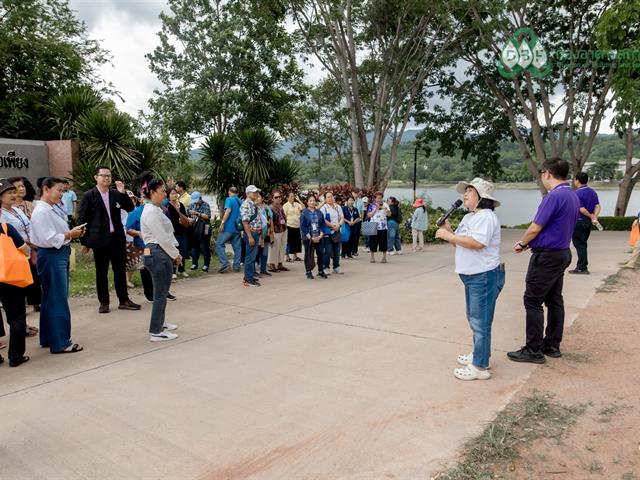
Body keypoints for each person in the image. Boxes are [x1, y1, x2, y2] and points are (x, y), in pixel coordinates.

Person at [508, 158, 579, 364]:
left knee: (532, 300)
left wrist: (522, 243)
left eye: (541, 173)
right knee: (554, 299)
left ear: (547, 173)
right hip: (562, 252)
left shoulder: (553, 197)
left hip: (547, 256)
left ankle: (533, 349)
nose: (541, 176)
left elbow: (536, 227)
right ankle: (552, 344)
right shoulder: (572, 195)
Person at [436, 178, 504, 381]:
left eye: (469, 191)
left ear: (481, 197)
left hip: (483, 276)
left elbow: (477, 243)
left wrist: (449, 236)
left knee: (480, 321)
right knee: (475, 319)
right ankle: (480, 354)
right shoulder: (469, 218)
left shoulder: (486, 217)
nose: (464, 195)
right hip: (471, 276)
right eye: (464, 192)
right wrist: (449, 230)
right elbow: (461, 243)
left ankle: (479, 367)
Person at [31, 177, 86, 354]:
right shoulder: (42, 211)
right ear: (46, 189)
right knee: (57, 299)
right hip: (52, 255)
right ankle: (61, 342)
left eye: (63, 191)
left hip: (56, 254)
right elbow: (49, 239)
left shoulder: (51, 208)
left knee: (50, 298)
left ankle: (49, 336)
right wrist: (71, 234)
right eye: (59, 190)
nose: (61, 194)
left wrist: (70, 233)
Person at [77, 166, 140, 314]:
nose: (106, 178)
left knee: (119, 270)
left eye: (109, 176)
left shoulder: (115, 194)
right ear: (96, 177)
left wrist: (123, 193)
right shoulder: (89, 196)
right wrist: (85, 242)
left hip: (117, 238)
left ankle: (124, 300)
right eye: (103, 175)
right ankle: (104, 302)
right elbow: (82, 219)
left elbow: (130, 208)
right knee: (101, 272)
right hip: (99, 240)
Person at [140, 179, 181, 341]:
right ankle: (156, 331)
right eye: (162, 191)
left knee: (162, 293)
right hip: (158, 252)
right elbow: (162, 237)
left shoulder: (155, 210)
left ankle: (160, 322)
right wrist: (175, 254)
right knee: (160, 294)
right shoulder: (150, 211)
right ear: (152, 193)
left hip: (159, 252)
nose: (165, 194)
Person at [0, 179, 31, 366]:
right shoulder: (6, 227)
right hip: (9, 275)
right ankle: (16, 356)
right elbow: (24, 249)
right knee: (17, 316)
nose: (13, 194)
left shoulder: (15, 213)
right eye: (8, 192)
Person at [125, 193, 156, 303]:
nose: (147, 200)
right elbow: (128, 229)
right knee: (146, 269)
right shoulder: (136, 212)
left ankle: (163, 292)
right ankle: (149, 295)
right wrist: (138, 233)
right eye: (145, 197)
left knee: (159, 269)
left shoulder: (158, 210)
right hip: (144, 246)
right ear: (140, 199)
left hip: (158, 245)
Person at [569, 172, 600, 275]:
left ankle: (582, 267)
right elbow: (597, 206)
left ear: (577, 180)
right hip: (588, 223)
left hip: (579, 222)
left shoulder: (577, 193)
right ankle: (581, 266)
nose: (574, 181)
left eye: (574, 180)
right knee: (583, 244)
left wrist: (591, 216)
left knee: (580, 244)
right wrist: (594, 217)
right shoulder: (592, 192)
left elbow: (581, 209)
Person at [216, 186, 243, 273]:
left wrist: (222, 223)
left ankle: (225, 264)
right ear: (237, 193)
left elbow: (228, 211)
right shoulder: (240, 201)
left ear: (229, 192)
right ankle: (236, 266)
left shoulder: (229, 199)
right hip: (237, 228)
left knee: (219, 243)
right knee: (237, 248)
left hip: (228, 227)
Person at [300, 195, 327, 279]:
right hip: (308, 238)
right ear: (307, 202)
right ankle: (308, 272)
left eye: (313, 200)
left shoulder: (319, 212)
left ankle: (321, 271)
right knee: (308, 255)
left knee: (321, 254)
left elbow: (322, 224)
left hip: (319, 237)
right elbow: (303, 226)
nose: (312, 202)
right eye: (310, 201)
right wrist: (310, 237)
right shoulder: (304, 213)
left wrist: (320, 235)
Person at [167, 186, 191, 278]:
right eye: (172, 193)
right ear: (169, 196)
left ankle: (182, 269)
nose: (174, 195)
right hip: (173, 233)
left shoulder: (180, 205)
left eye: (175, 193)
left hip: (183, 231)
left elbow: (185, 216)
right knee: (174, 251)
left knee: (183, 251)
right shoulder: (167, 206)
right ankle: (173, 271)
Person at [241, 185, 262, 287]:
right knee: (250, 257)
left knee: (252, 257)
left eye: (256, 192)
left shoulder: (252, 204)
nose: (256, 194)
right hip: (251, 233)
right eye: (254, 192)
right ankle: (247, 279)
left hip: (255, 232)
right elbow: (245, 222)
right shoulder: (246, 204)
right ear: (248, 193)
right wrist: (249, 236)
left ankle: (249, 276)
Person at [320, 192, 344, 275]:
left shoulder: (338, 207)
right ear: (325, 199)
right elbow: (323, 220)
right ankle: (325, 267)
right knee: (328, 251)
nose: (330, 198)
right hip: (328, 233)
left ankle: (336, 267)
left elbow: (342, 217)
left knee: (337, 251)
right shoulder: (324, 208)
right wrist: (332, 226)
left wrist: (339, 225)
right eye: (328, 197)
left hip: (337, 231)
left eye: (331, 196)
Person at [188, 192, 212, 272]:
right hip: (195, 227)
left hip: (205, 226)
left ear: (200, 198)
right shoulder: (191, 205)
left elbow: (207, 216)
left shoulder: (205, 205)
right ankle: (194, 263)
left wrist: (197, 213)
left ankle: (206, 264)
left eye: (197, 200)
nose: (195, 202)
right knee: (194, 245)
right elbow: (188, 214)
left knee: (205, 245)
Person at [367, 192, 391, 263]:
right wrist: (375, 209)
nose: (379, 199)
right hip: (373, 226)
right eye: (377, 198)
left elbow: (389, 214)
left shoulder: (385, 204)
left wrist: (386, 209)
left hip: (383, 227)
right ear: (375, 198)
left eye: (380, 198)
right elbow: (369, 215)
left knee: (383, 242)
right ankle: (372, 257)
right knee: (373, 242)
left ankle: (384, 257)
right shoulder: (372, 205)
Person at [268, 191, 288, 272]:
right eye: (276, 197)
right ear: (272, 199)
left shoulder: (280, 207)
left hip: (283, 229)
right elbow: (270, 220)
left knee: (282, 248)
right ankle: (272, 265)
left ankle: (280, 263)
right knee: (274, 248)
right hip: (275, 231)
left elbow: (284, 217)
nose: (279, 198)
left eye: (279, 197)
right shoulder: (270, 208)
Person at [256, 193, 273, 277]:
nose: (257, 198)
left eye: (259, 197)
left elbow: (271, 216)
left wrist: (267, 209)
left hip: (266, 234)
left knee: (265, 252)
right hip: (257, 234)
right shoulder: (253, 207)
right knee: (256, 252)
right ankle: (254, 271)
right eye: (256, 197)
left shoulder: (265, 207)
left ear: (262, 198)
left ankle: (263, 269)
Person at [284, 192, 304, 262]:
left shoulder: (297, 204)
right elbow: (284, 217)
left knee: (296, 242)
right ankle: (287, 256)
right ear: (288, 198)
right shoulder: (285, 205)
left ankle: (295, 256)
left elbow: (304, 208)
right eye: (291, 196)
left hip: (297, 226)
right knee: (288, 242)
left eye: (293, 196)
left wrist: (299, 200)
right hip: (289, 225)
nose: (293, 198)